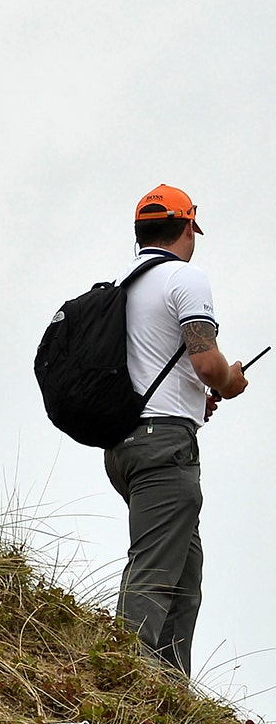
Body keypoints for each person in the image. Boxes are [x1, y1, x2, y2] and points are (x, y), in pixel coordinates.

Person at [105, 184, 247, 676]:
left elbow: (148, 364)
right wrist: (231, 382)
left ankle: (168, 692)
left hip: (123, 446)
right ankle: (122, 681)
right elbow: (208, 364)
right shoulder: (185, 279)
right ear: (188, 228)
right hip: (163, 447)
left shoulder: (122, 283)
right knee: (154, 571)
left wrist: (189, 398)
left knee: (184, 577)